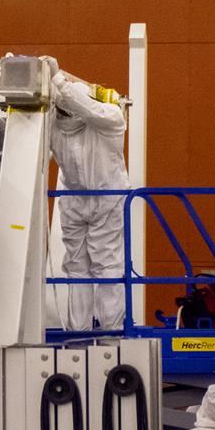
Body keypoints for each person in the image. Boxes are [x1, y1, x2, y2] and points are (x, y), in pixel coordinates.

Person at [44, 58, 129, 330]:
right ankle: (77, 333)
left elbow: (92, 110)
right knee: (77, 269)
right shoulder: (54, 126)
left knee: (107, 267)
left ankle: (111, 333)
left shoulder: (109, 119)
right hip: (75, 201)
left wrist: (58, 82)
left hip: (107, 198)